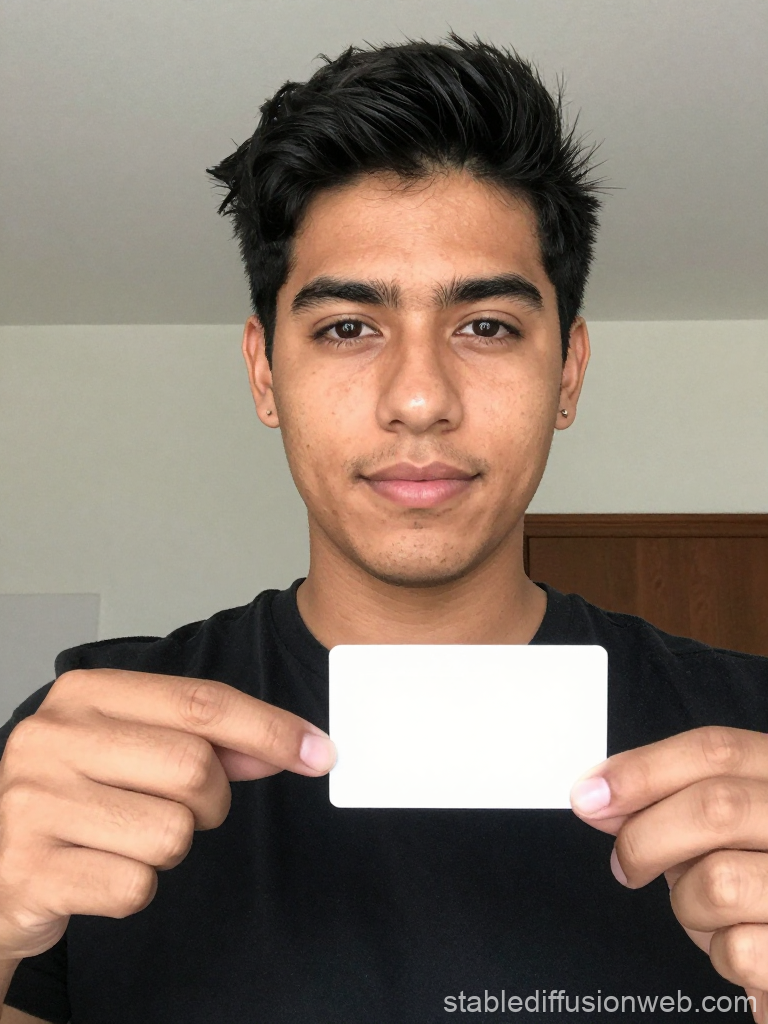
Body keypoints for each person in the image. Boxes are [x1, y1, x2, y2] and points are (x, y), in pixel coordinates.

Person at [0, 34, 766, 1024]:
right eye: (347, 327)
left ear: (568, 370)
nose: (418, 399)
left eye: (485, 325)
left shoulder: (752, 730)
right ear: (264, 372)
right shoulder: (83, 750)